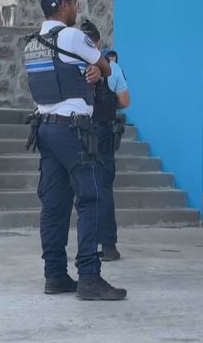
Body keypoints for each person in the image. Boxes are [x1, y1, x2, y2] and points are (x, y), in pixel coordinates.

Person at [23, 0, 127, 300]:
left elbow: (66, 71)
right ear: (64, 5)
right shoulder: (71, 36)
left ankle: (55, 275)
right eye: (74, 2)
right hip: (73, 130)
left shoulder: (32, 43)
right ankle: (90, 277)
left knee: (54, 206)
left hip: (46, 128)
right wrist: (96, 67)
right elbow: (107, 67)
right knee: (92, 198)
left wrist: (88, 70)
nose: (77, 8)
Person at [80, 20, 130, 262]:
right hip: (104, 132)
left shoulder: (75, 64)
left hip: (81, 132)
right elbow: (124, 101)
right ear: (99, 42)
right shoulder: (113, 67)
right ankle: (108, 245)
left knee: (83, 190)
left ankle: (89, 245)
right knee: (105, 189)